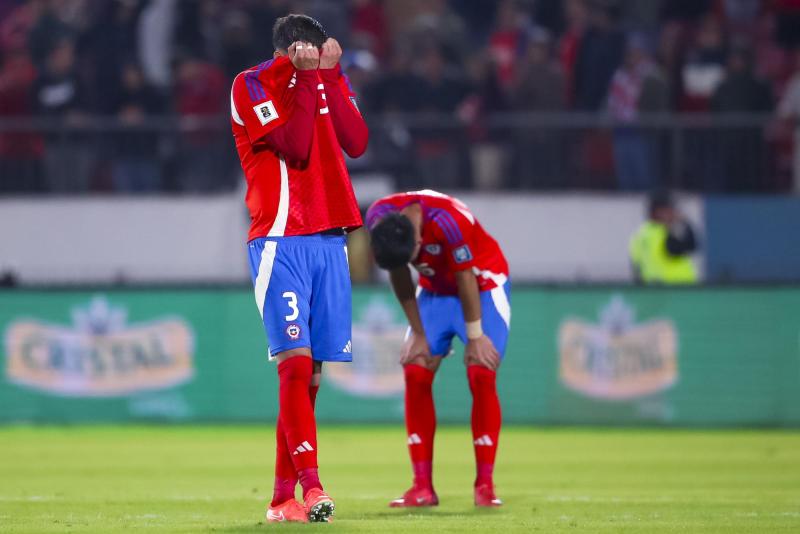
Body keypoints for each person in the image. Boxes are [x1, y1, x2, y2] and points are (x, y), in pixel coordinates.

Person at [229, 14, 368, 523]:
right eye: (307, 52)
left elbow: (356, 142)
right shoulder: (250, 84)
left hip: (330, 237)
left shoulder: (326, 77)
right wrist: (309, 79)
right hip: (279, 238)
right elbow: (294, 145)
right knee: (292, 364)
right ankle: (312, 489)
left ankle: (280, 499)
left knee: (310, 378)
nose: (314, 56)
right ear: (291, 51)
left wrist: (331, 77)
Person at [366, 189, 510, 508]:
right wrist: (418, 332)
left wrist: (475, 335)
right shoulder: (379, 219)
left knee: (481, 371)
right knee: (416, 369)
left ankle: (484, 486)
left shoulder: (449, 221)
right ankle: (422, 488)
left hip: (482, 284)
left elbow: (466, 278)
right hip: (434, 291)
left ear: (418, 243)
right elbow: (400, 275)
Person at [629, 190, 699, 284]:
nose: (674, 213)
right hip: (678, 289)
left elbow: (636, 270)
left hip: (652, 292)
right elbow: (691, 245)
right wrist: (684, 222)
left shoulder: (638, 235)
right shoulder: (664, 232)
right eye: (670, 209)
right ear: (658, 212)